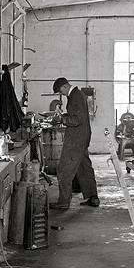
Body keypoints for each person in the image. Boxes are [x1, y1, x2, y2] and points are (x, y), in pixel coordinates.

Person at [50, 76, 99, 210]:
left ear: (65, 86)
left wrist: (61, 119)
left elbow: (77, 120)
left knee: (64, 169)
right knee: (84, 168)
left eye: (61, 91)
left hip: (76, 140)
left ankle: (63, 202)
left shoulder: (75, 96)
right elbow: (77, 116)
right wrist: (64, 116)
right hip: (82, 137)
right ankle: (93, 197)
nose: (61, 94)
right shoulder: (77, 95)